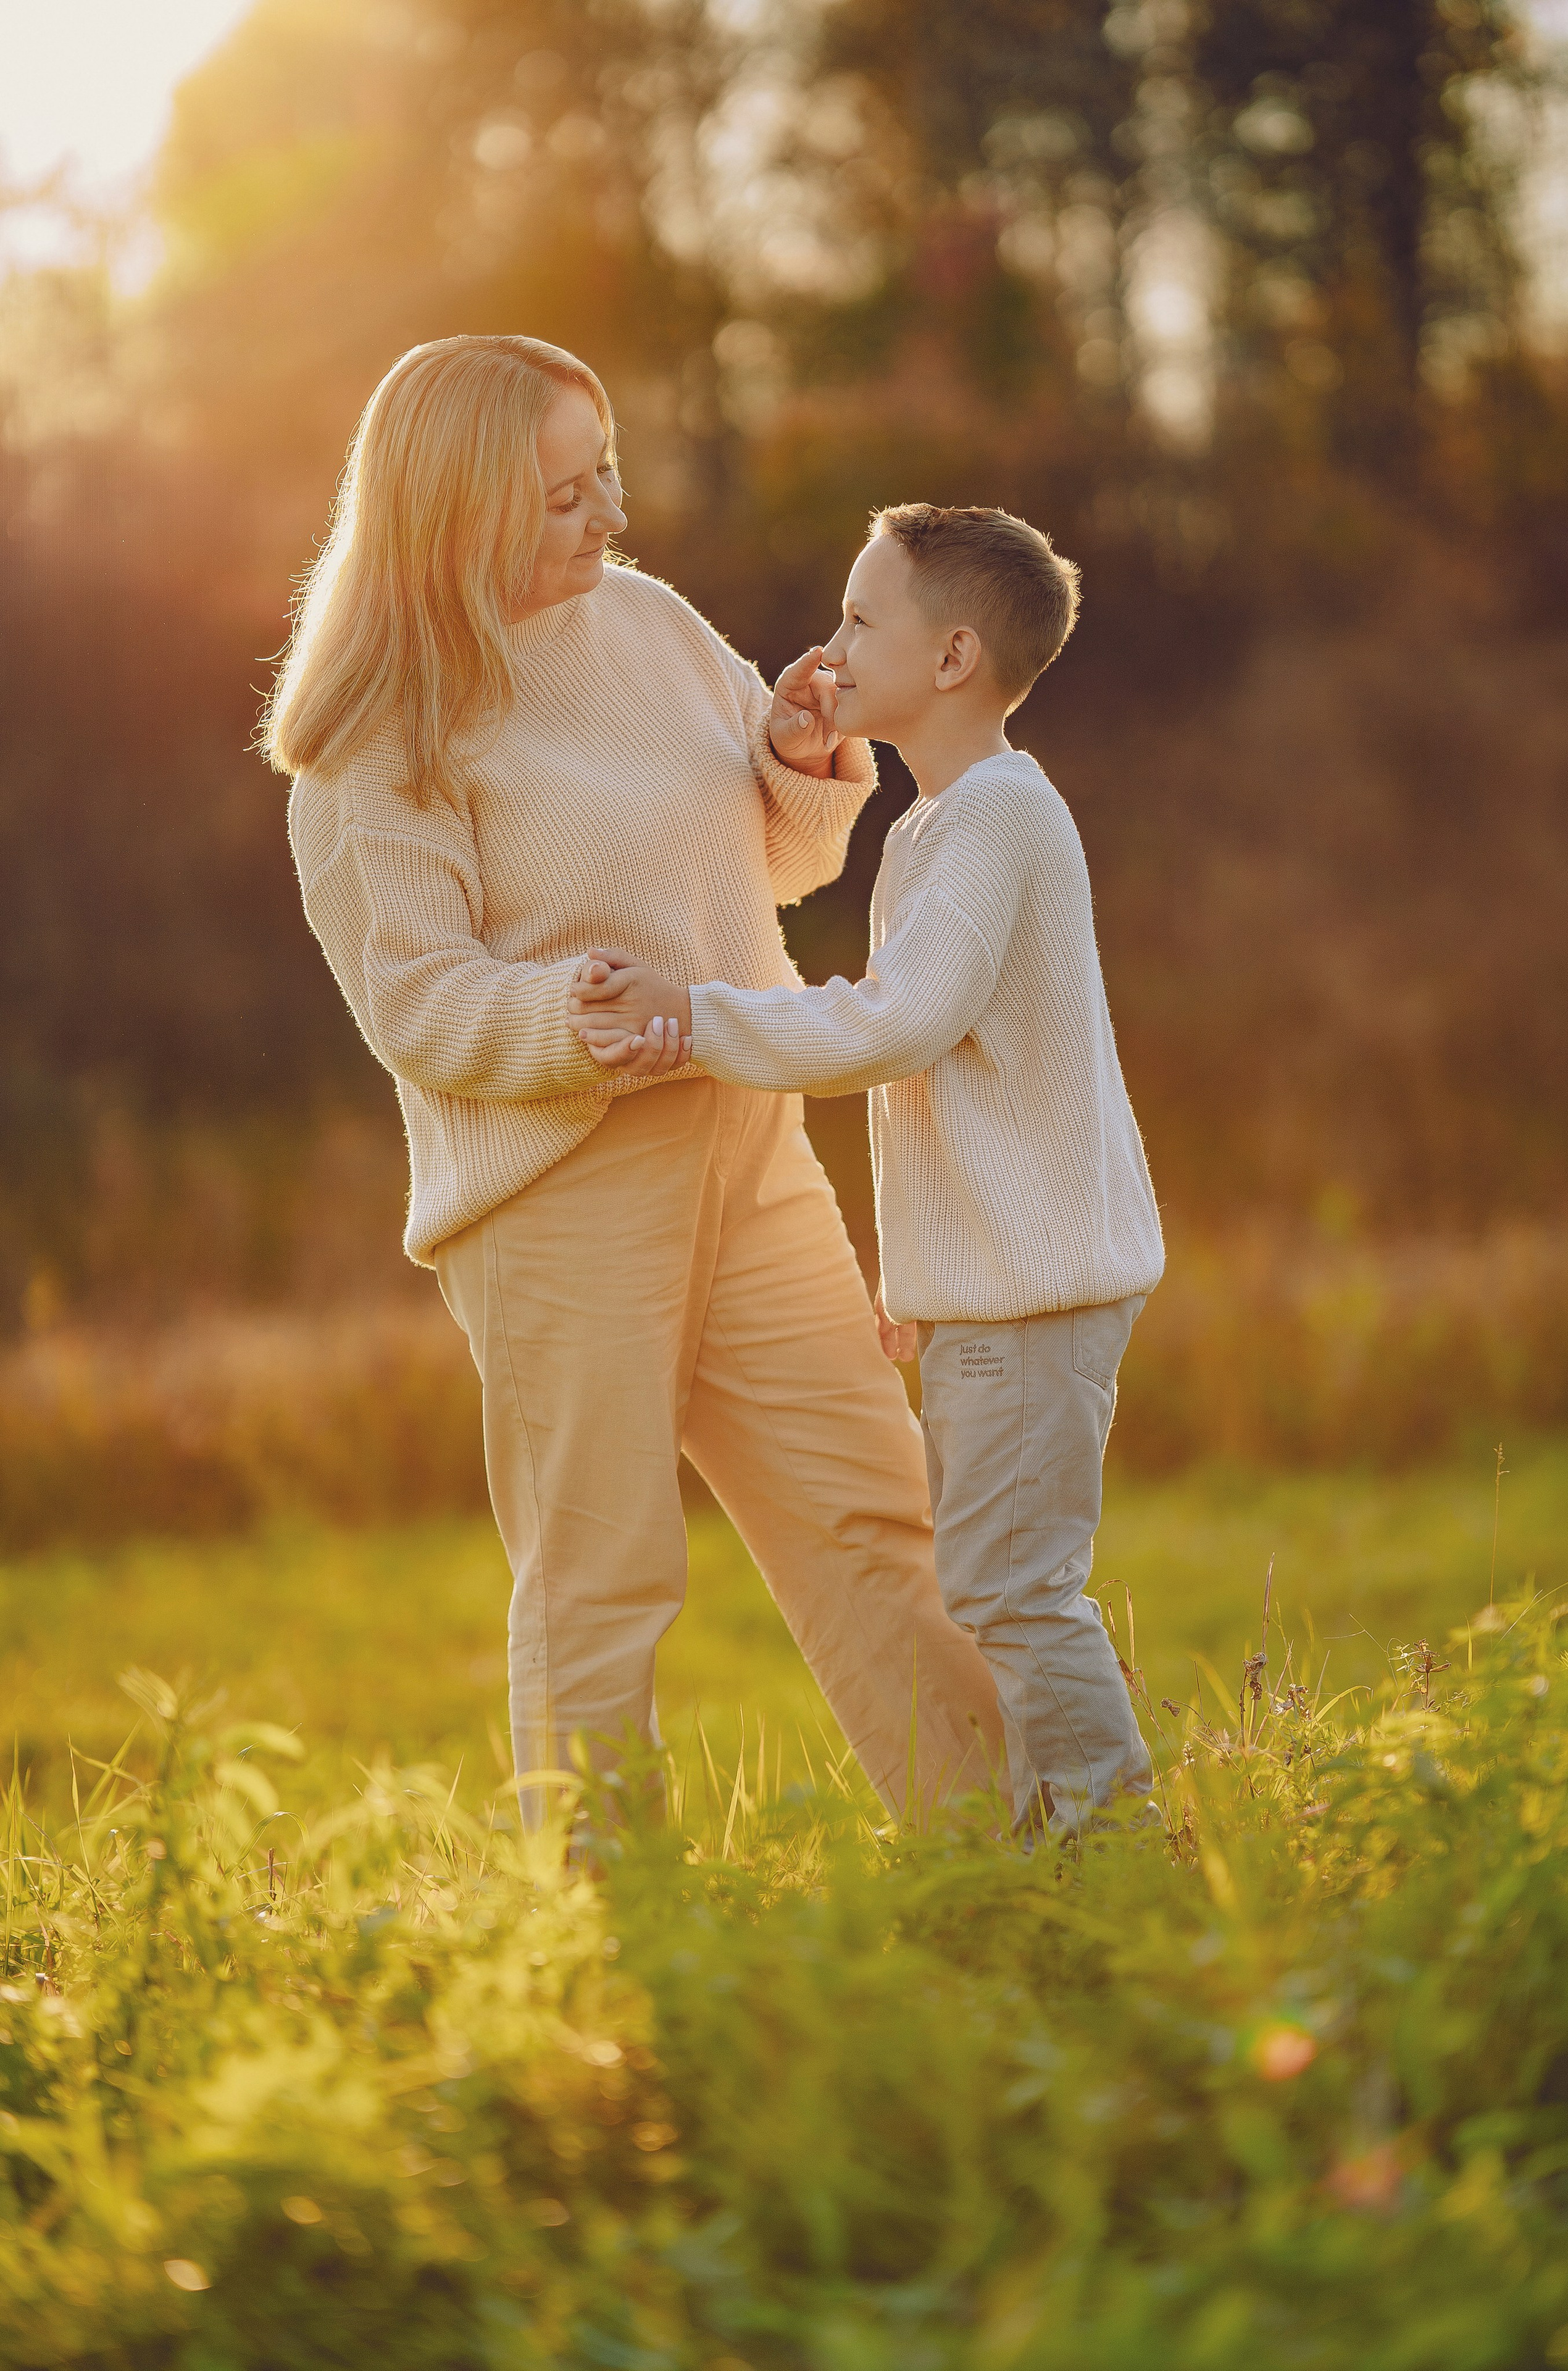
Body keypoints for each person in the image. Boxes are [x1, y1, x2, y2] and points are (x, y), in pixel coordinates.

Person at [261, 337, 1003, 1825]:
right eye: (561, 493)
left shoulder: (649, 624)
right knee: (602, 1579)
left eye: (605, 468)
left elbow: (774, 864)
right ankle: (614, 1948)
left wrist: (797, 754)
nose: (607, 511)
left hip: (748, 1138)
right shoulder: (372, 741)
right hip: (560, 1189)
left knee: (876, 1513)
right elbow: (414, 999)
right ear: (455, 510)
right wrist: (569, 1018)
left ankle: (1022, 1866)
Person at [570, 503, 1166, 1833]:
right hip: (988, 1289)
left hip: (1034, 1292)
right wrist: (919, 1273)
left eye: (857, 618)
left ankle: (1111, 1853)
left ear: (950, 659)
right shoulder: (929, 827)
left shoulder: (996, 819)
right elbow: (931, 1081)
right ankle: (1064, 1838)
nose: (829, 639)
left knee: (1014, 1594)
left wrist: (695, 1013)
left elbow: (895, 1024)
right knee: (993, 1582)